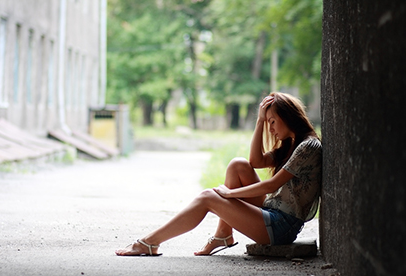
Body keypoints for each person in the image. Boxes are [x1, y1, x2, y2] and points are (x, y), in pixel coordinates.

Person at [115, 92, 322, 256]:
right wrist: (259, 121)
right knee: (238, 165)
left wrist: (228, 195)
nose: (271, 129)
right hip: (273, 214)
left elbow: (270, 186)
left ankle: (149, 243)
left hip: (281, 227)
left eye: (272, 122)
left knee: (208, 197)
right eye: (267, 123)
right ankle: (223, 234)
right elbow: (255, 162)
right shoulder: (292, 144)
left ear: (288, 117)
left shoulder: (308, 146)